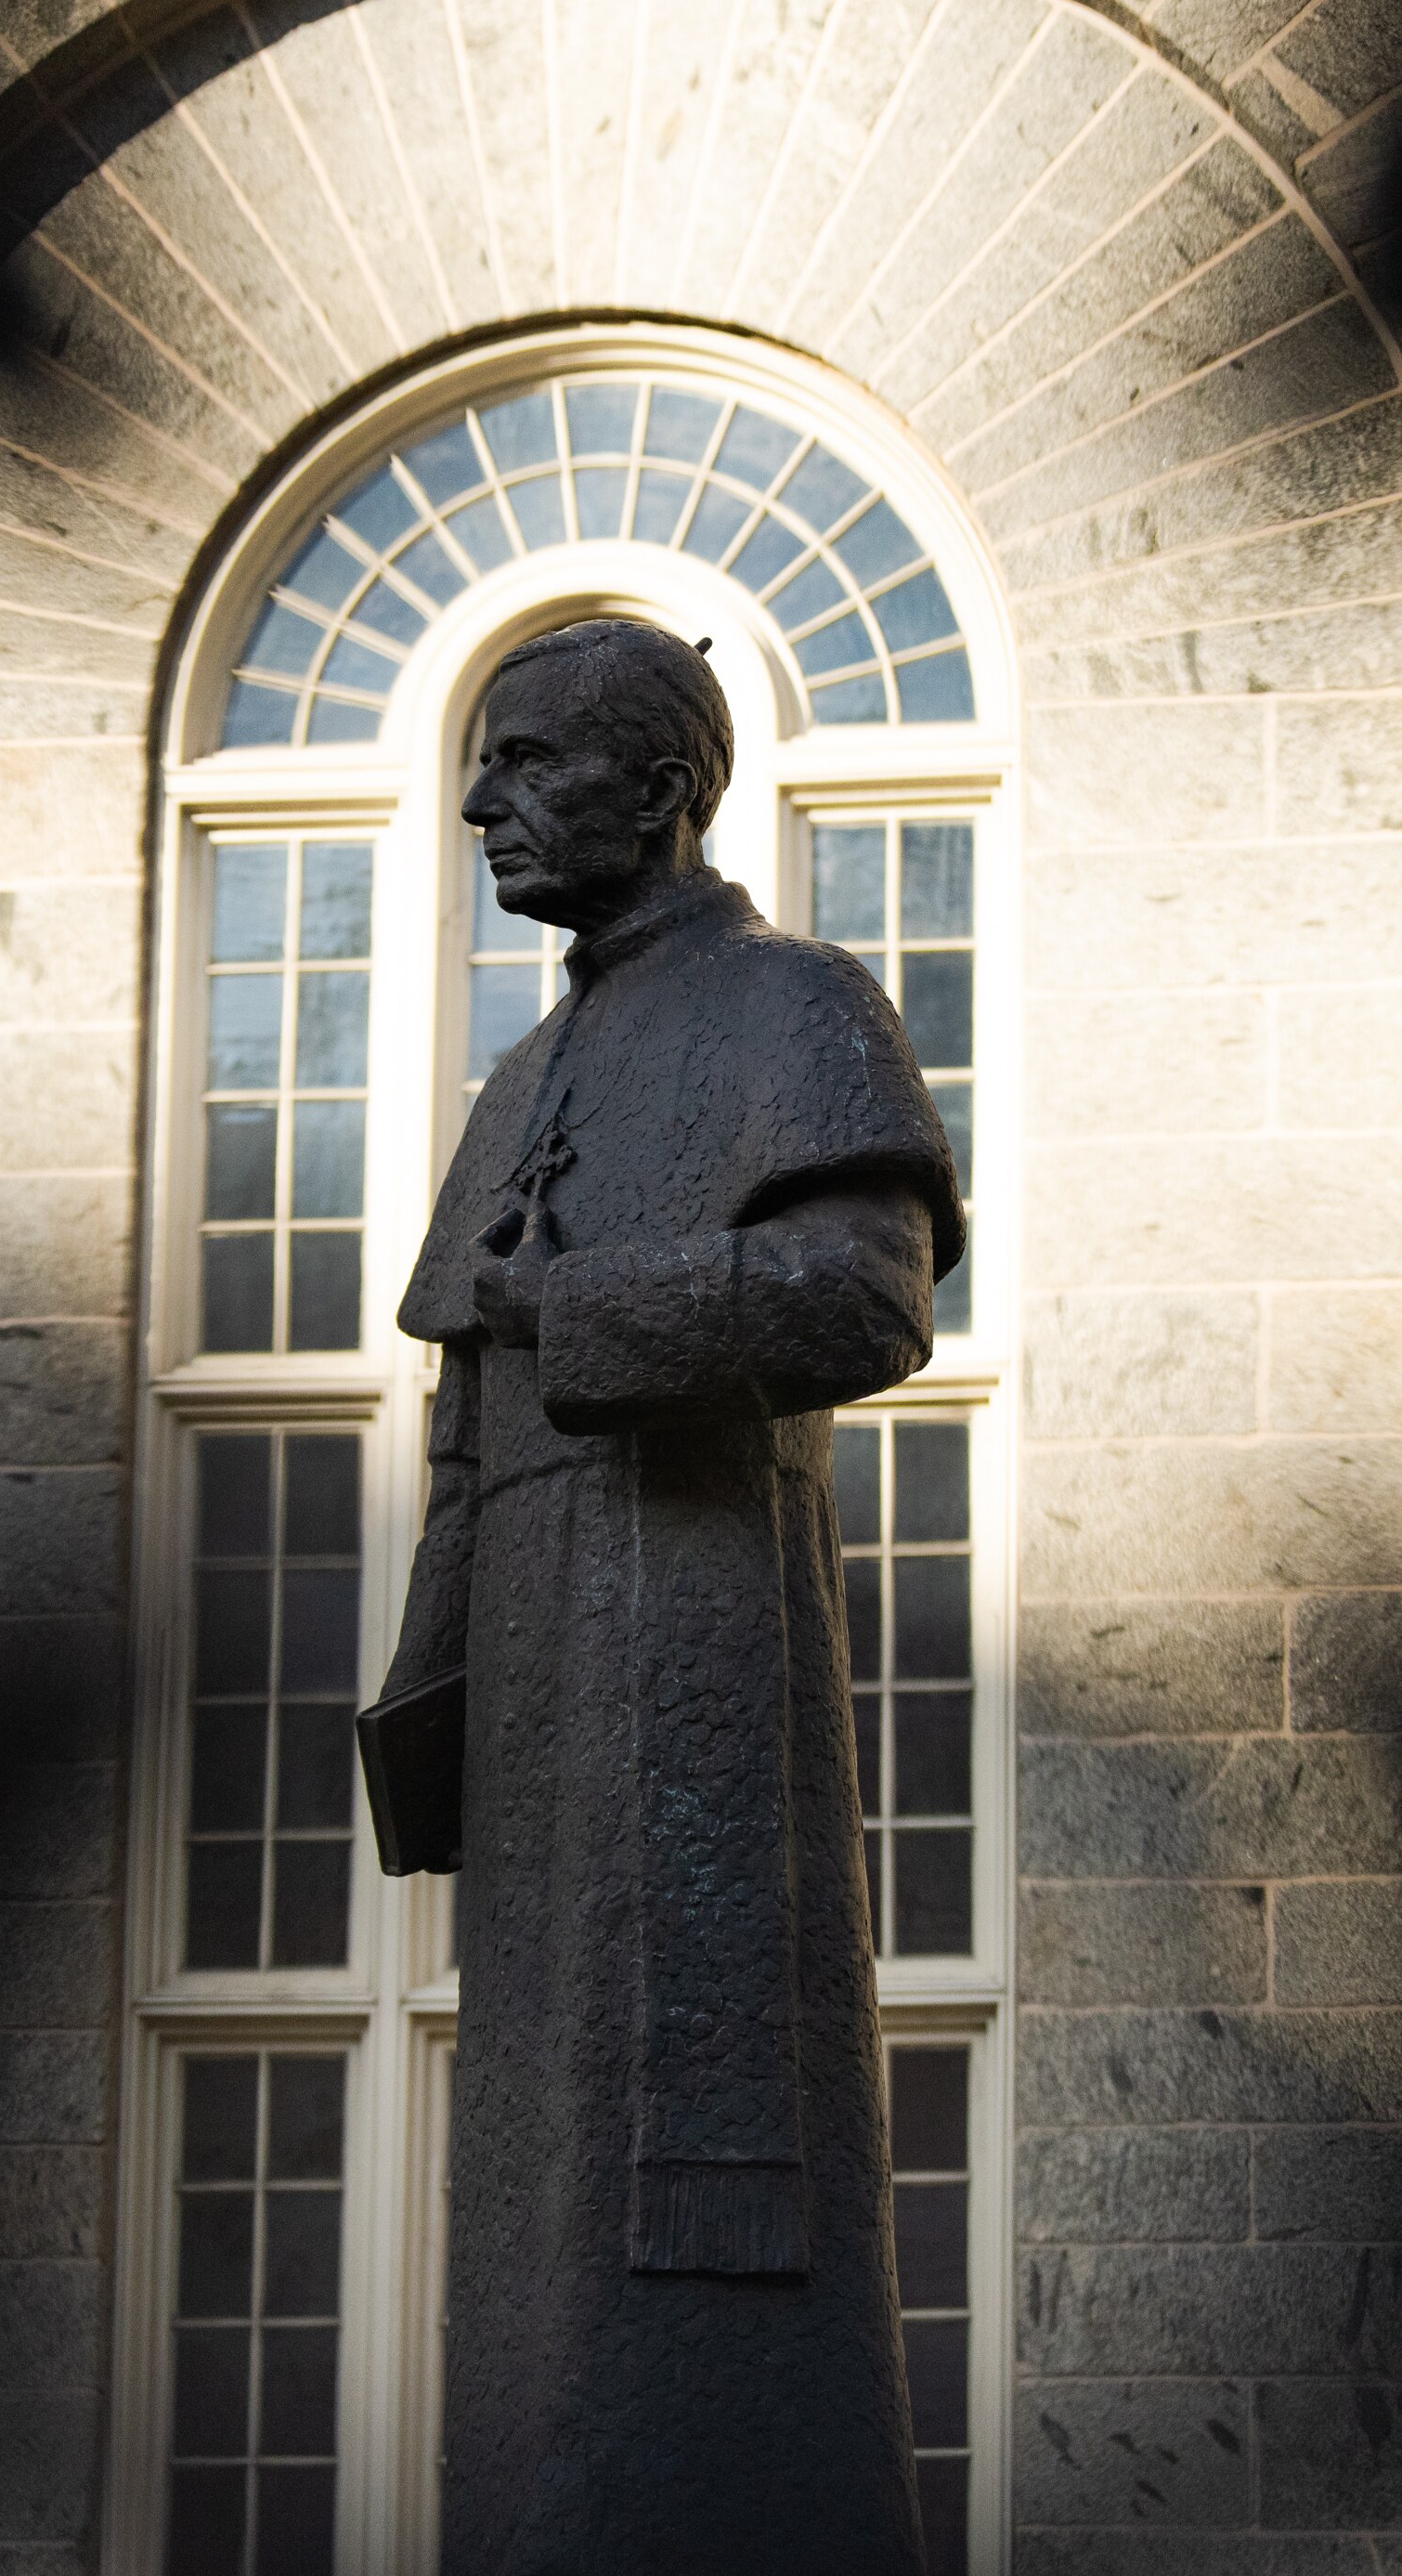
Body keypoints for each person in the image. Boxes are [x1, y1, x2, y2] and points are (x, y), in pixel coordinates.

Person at [361, 616, 961, 2573]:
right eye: (479, 763)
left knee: (685, 2162)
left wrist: (586, 1303)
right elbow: (464, 1420)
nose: (480, 801)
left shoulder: (797, 1003)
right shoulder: (525, 1070)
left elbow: (867, 1297)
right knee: (541, 2177)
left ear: (666, 786)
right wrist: (428, 1698)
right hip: (531, 1667)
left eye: (528, 760)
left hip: (692, 1623)